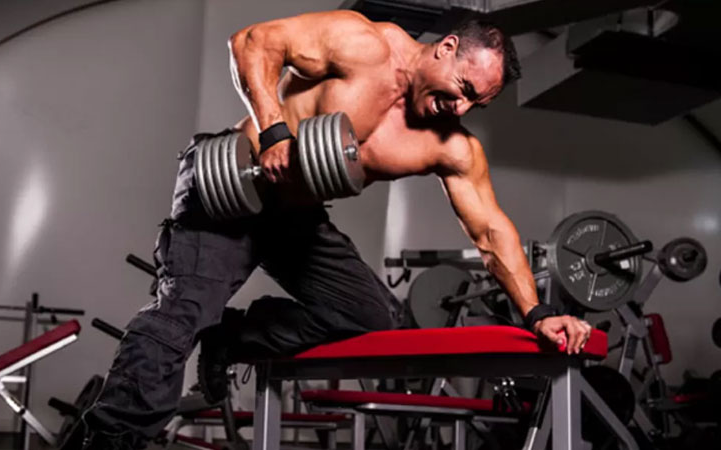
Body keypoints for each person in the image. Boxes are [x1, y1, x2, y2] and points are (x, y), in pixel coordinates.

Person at [74, 10, 593, 449]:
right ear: (446, 48)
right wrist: (275, 129)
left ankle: (231, 336)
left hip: (294, 218)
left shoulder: (450, 146)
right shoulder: (363, 45)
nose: (460, 109)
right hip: (230, 188)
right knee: (180, 314)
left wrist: (538, 313)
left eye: (474, 104)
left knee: (368, 317)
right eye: (462, 90)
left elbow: (490, 231)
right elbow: (252, 43)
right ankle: (106, 440)